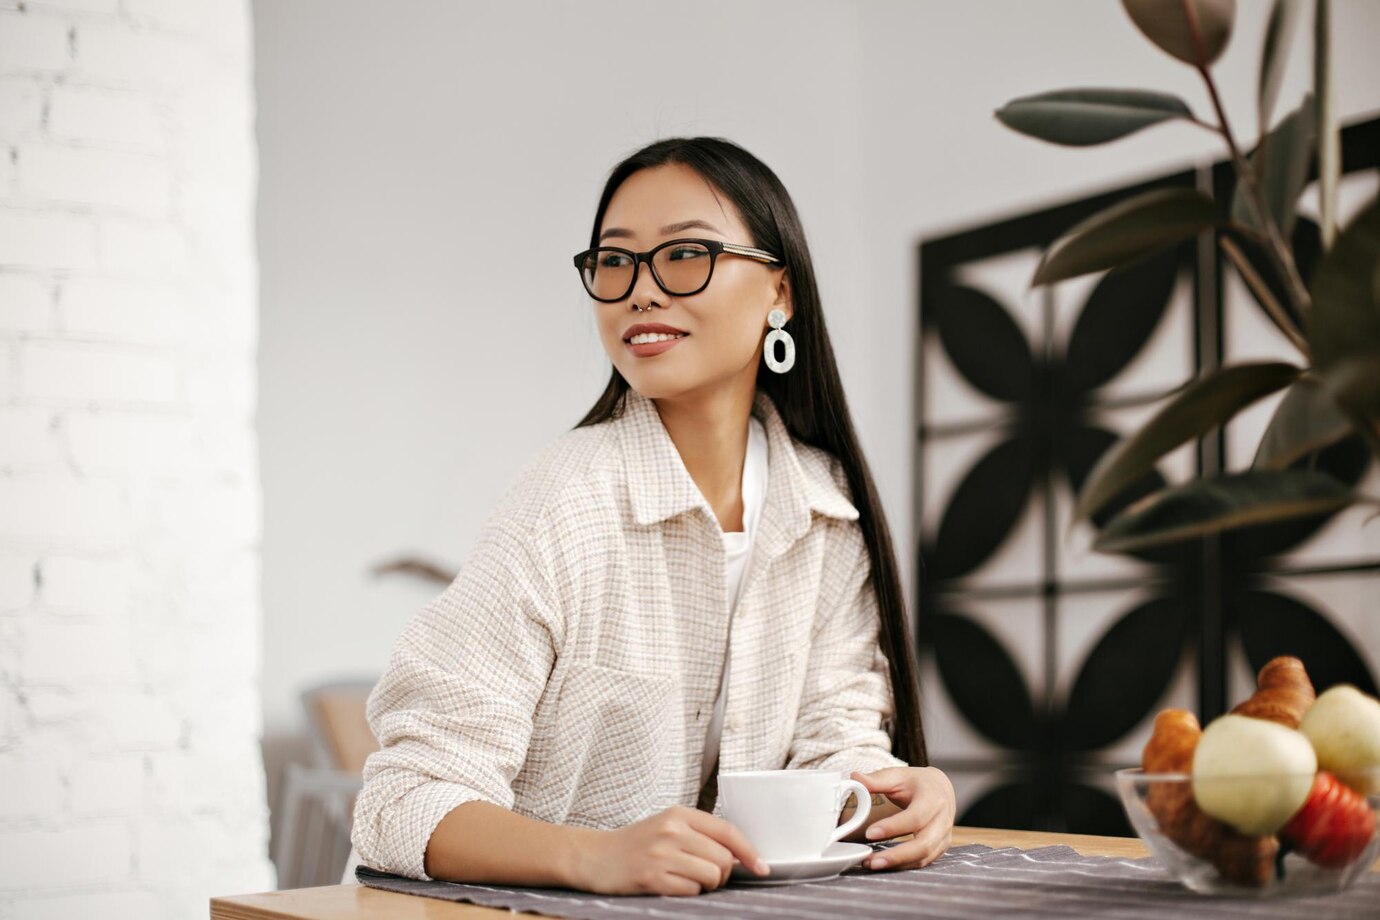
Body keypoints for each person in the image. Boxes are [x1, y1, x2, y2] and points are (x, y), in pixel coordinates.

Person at [350, 136, 955, 896]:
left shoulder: (825, 506)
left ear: (780, 291)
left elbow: (835, 749)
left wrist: (898, 796)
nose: (640, 289)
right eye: (615, 260)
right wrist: (593, 856)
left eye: (684, 255)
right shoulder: (563, 499)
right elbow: (401, 802)